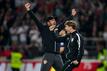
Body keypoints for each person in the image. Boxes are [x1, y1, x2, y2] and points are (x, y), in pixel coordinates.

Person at [24, 3, 64, 71]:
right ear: (48, 23)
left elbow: (65, 23)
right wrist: (29, 10)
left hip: (58, 56)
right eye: (52, 20)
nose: (54, 21)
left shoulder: (57, 29)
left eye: (54, 20)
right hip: (48, 55)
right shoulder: (43, 28)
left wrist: (72, 15)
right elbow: (35, 19)